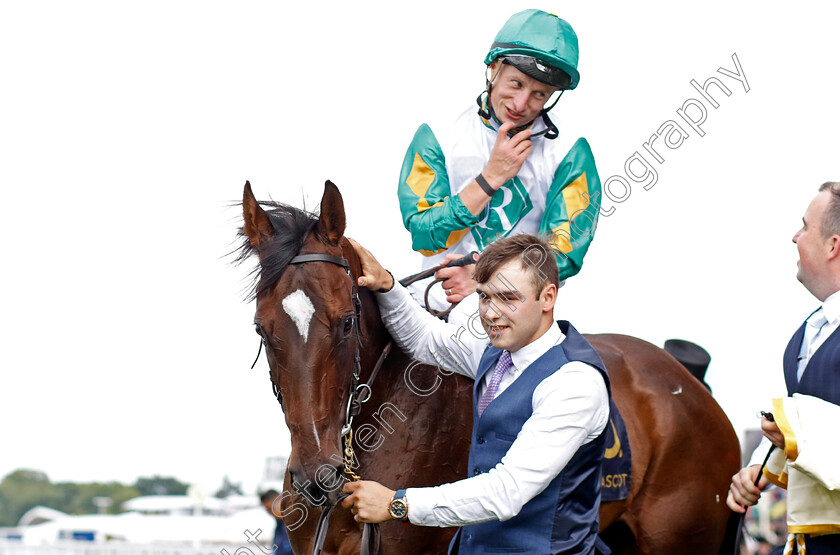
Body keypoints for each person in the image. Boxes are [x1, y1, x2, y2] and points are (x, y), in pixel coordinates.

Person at [343, 234, 611, 555]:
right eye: (485, 298)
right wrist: (387, 285)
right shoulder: (494, 352)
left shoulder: (574, 381)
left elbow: (506, 492)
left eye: (508, 298)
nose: (492, 314)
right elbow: (427, 341)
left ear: (548, 297)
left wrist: (397, 503)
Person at [398, 9, 602, 313]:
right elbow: (425, 235)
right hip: (432, 303)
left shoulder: (572, 152)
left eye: (539, 94)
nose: (521, 105)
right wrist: (492, 177)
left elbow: (564, 254)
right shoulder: (438, 133)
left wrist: (487, 280)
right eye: (516, 84)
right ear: (494, 68)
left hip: (518, 318)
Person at [726, 182, 840, 554]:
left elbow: (804, 429)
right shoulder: (807, 332)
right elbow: (797, 421)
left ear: (833, 246)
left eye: (805, 226)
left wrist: (793, 434)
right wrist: (755, 469)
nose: (795, 237)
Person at [259, 490, 294, 555]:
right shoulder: (279, 525)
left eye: (269, 508)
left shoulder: (296, 523)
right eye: (267, 510)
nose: (269, 513)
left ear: (280, 500)